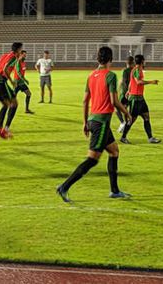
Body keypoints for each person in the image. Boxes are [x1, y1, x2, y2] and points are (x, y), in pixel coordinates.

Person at [56, 46, 132, 203]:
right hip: (101, 123)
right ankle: (64, 186)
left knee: (114, 151)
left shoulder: (91, 76)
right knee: (92, 159)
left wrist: (85, 122)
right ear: (111, 59)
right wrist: (126, 112)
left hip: (93, 120)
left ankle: (115, 191)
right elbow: (114, 101)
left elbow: (85, 100)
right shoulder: (110, 76)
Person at [120, 54, 160, 144]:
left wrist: (128, 91)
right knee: (132, 119)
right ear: (142, 61)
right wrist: (151, 82)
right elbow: (138, 82)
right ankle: (123, 137)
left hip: (140, 99)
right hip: (136, 99)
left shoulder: (136, 69)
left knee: (146, 117)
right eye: (144, 60)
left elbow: (131, 81)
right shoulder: (137, 70)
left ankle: (150, 138)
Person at [0, 42, 23, 139]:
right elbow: (5, 69)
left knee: (5, 105)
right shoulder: (13, 57)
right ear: (17, 50)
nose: (21, 52)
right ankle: (6, 129)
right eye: (21, 50)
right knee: (14, 103)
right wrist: (11, 81)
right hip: (1, 82)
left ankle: (0, 129)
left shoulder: (4, 55)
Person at [116, 56, 135, 133]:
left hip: (125, 93)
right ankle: (126, 124)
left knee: (117, 108)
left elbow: (124, 82)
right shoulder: (134, 71)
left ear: (126, 63)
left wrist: (122, 89)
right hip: (133, 93)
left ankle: (122, 122)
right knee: (125, 109)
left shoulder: (125, 71)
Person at [13, 50, 34, 114]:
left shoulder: (23, 62)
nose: (25, 56)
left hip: (21, 82)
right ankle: (10, 110)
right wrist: (25, 79)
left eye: (25, 55)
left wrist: (23, 80)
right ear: (20, 55)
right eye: (24, 55)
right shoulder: (18, 62)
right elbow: (18, 72)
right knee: (13, 97)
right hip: (17, 82)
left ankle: (26, 109)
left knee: (29, 94)